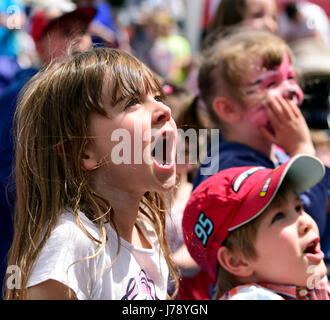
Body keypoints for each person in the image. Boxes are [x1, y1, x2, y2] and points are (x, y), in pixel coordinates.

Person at [5, 47, 179, 300]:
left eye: (157, 96)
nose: (165, 110)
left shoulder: (146, 224)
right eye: (132, 102)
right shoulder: (70, 244)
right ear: (83, 151)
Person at [184, 28, 330, 299]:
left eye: (290, 78)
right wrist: (303, 148)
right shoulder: (229, 170)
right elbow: (309, 224)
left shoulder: (275, 153)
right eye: (271, 83)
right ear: (228, 109)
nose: (290, 91)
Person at [0, 2, 96, 297]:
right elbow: (10, 175)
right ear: (41, 43)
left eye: (83, 31)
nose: (80, 40)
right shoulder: (25, 92)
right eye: (67, 32)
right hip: (23, 231)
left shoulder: (88, 92)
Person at [182, 154, 329, 299]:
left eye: (298, 207)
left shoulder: (310, 286)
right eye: (279, 216)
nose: (306, 223)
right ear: (236, 260)